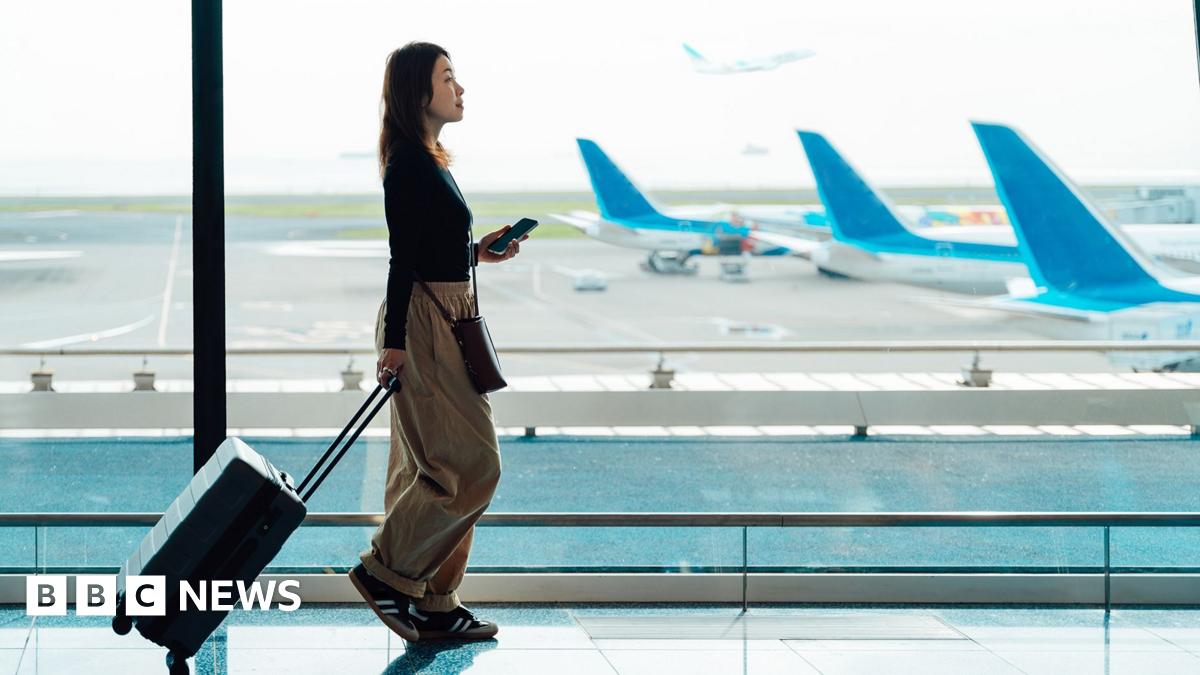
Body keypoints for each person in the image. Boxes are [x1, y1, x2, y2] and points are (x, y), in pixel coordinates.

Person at [348, 41, 526, 642]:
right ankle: (387, 573)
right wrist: (396, 342)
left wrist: (478, 252)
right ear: (417, 92)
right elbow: (402, 258)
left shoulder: (428, 159)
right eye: (448, 77)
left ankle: (437, 603)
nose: (460, 88)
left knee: (427, 466)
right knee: (472, 466)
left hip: (442, 313)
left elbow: (428, 248)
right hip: (424, 323)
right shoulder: (408, 163)